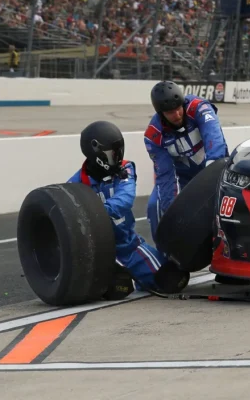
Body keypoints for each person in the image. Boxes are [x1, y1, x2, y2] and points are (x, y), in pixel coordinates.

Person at [68, 121, 189, 295]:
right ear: (96, 153)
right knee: (120, 287)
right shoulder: (75, 186)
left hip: (129, 245)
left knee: (173, 280)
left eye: (119, 151)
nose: (117, 157)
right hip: (100, 253)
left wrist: (94, 211)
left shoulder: (125, 168)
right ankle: (116, 278)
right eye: (112, 153)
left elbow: (125, 199)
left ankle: (138, 276)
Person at [144, 80, 230, 242]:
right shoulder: (153, 135)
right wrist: (171, 212)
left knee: (226, 205)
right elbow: (165, 175)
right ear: (160, 113)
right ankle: (167, 256)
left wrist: (210, 180)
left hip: (214, 170)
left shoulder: (200, 107)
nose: (176, 115)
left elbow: (215, 141)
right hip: (183, 179)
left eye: (178, 109)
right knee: (154, 206)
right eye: (170, 112)